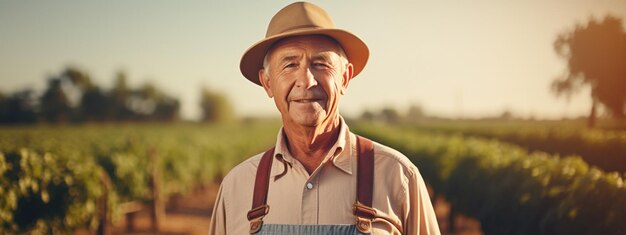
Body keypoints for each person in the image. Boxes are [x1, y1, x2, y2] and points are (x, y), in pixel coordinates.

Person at [209, 2, 440, 234]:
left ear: (345, 78)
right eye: (290, 64)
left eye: (320, 64)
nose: (306, 81)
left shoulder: (399, 177)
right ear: (268, 83)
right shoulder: (236, 187)